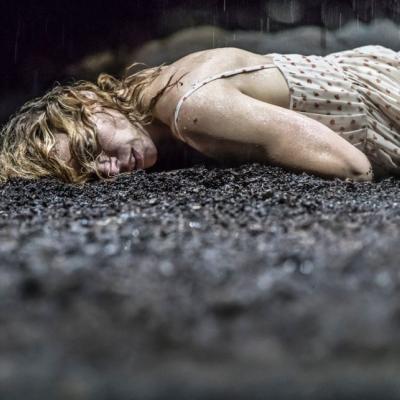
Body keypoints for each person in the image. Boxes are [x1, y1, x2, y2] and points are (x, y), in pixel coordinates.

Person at [1, 44, 400, 184]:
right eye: (89, 173)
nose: (107, 170)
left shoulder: (190, 109)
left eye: (91, 150)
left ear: (90, 106)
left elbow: (352, 168)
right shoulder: (155, 91)